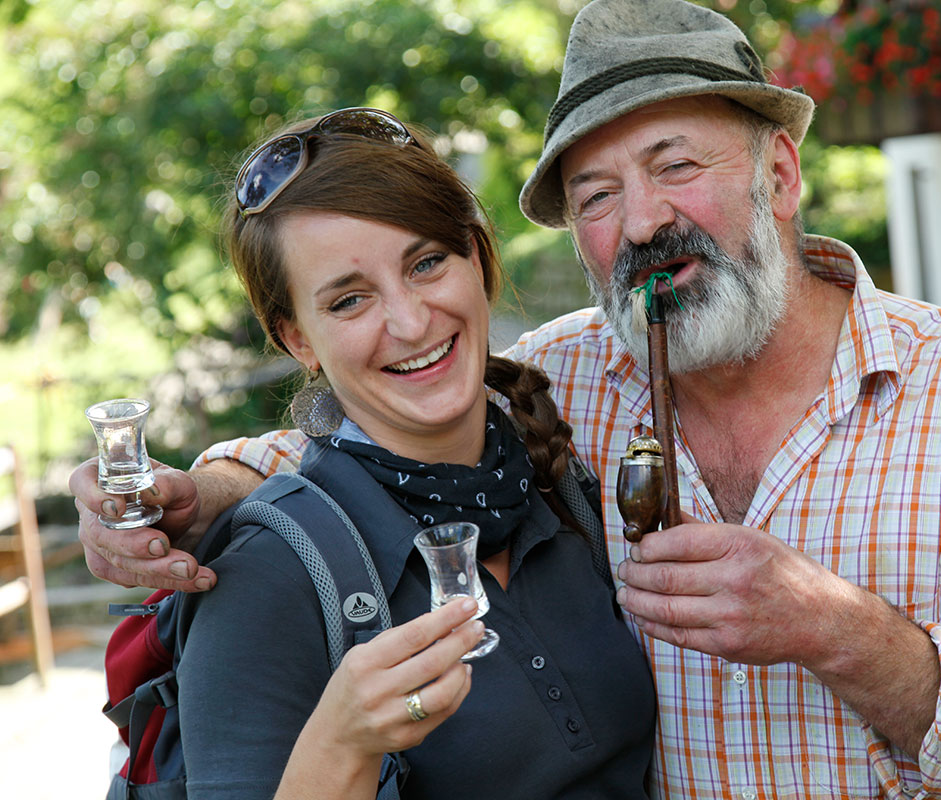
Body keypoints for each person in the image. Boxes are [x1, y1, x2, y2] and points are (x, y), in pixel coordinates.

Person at [73, 1, 941, 797]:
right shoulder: (574, 376)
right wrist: (199, 492)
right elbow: (384, 424)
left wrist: (847, 632)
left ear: (778, 172)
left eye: (675, 166)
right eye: (596, 195)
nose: (640, 225)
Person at [79, 107, 656, 798]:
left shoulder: (564, 481)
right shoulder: (267, 576)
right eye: (350, 300)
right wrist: (343, 743)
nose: (411, 323)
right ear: (298, 340)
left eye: (428, 263)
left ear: (478, 257)